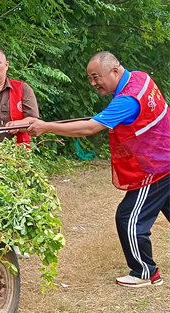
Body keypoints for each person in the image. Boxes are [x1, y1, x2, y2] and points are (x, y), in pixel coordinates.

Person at [11, 51, 170, 287]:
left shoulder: (127, 100)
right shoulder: (141, 78)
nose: (93, 83)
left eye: (96, 77)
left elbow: (89, 128)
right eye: (90, 78)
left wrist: (45, 127)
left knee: (128, 218)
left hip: (156, 167)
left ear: (115, 71)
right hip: (165, 156)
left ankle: (145, 271)